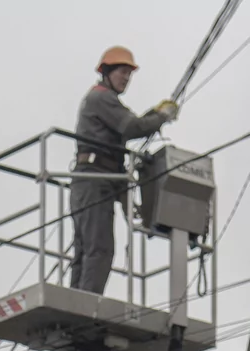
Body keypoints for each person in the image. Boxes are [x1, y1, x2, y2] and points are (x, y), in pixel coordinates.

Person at [70, 46, 178, 296]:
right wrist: (161, 116)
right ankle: (84, 305)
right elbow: (133, 127)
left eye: (129, 74)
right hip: (93, 179)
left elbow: (119, 153)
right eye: (122, 72)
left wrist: (129, 204)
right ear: (107, 72)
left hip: (96, 179)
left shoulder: (105, 101)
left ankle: (76, 301)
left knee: (87, 249)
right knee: (99, 248)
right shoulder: (101, 98)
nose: (126, 78)